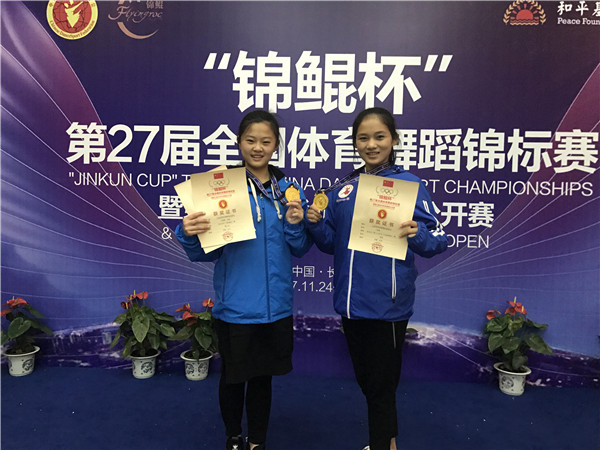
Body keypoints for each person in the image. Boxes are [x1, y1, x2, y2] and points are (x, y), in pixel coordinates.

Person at [306, 107, 448, 450]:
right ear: (355, 143)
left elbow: (438, 239)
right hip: (350, 302)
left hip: (388, 303)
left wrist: (416, 233)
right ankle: (388, 441)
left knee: (382, 385)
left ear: (393, 140)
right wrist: (315, 223)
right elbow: (330, 244)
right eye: (363, 138)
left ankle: (382, 443)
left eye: (379, 136)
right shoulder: (343, 188)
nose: (371, 144)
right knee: (369, 381)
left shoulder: (409, 185)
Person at [175, 110, 312, 450]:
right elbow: (203, 252)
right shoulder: (221, 188)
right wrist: (188, 233)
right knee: (234, 378)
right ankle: (234, 437)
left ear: (276, 145)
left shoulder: (289, 190)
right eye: (251, 140)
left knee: (263, 379)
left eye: (266, 141)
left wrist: (296, 223)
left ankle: (258, 440)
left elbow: (299, 248)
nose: (258, 147)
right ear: (239, 143)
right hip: (236, 306)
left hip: (275, 307)